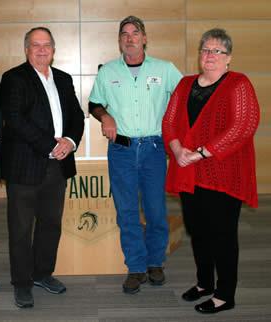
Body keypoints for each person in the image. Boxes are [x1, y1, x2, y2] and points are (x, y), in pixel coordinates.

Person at [162, 28, 260, 314]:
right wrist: (178, 150)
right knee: (197, 230)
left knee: (222, 234)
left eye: (217, 51)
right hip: (190, 172)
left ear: (228, 57)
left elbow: (244, 124)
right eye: (205, 49)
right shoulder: (185, 84)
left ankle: (225, 294)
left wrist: (202, 152)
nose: (210, 55)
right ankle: (204, 283)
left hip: (223, 172)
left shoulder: (238, 84)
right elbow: (168, 122)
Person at [89, 16, 182, 294]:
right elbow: (94, 103)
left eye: (135, 33)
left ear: (144, 39)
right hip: (122, 151)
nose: (130, 38)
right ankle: (136, 267)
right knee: (127, 211)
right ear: (120, 41)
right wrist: (105, 116)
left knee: (155, 210)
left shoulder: (165, 69)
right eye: (124, 34)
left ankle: (155, 263)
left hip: (154, 149)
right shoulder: (108, 71)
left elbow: (186, 97)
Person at [0, 27, 84, 308]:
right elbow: (14, 119)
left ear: (53, 49)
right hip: (25, 167)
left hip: (57, 166)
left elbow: (77, 116)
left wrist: (70, 142)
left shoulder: (63, 78)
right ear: (26, 49)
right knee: (21, 229)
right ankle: (22, 284)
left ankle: (42, 274)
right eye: (35, 45)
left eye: (47, 44)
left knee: (51, 225)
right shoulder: (13, 78)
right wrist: (50, 144)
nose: (42, 49)